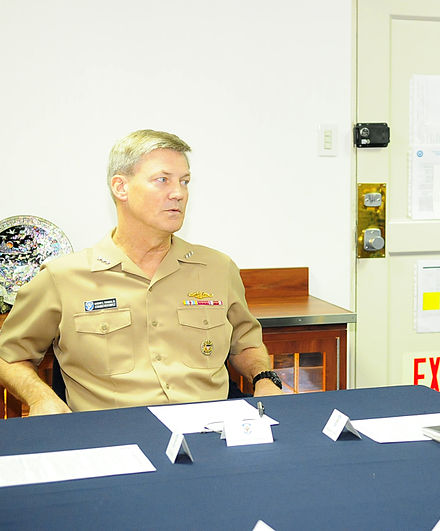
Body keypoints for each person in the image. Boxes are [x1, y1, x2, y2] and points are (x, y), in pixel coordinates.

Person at [0, 129, 282, 415]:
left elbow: (246, 345)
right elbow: (8, 357)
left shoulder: (218, 268)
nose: (179, 193)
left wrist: (264, 378)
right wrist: (41, 398)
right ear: (120, 187)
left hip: (209, 430)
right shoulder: (62, 278)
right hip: (113, 440)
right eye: (163, 180)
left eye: (185, 181)